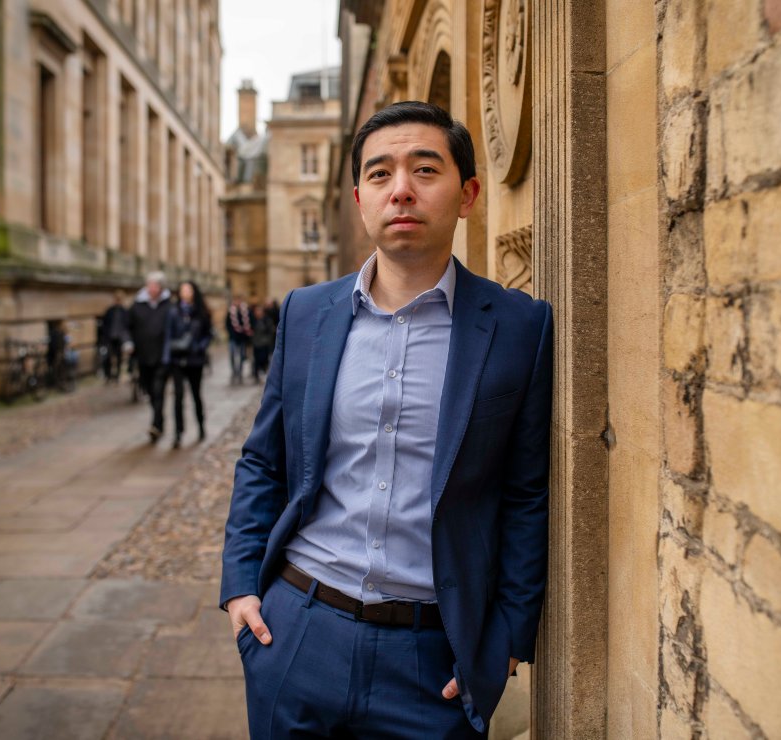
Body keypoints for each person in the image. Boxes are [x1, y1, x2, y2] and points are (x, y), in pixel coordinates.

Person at [221, 101, 553, 738]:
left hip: (432, 658)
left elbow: (524, 491)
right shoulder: (307, 313)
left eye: (425, 169)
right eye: (380, 174)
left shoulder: (518, 327)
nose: (400, 189)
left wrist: (507, 636)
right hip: (296, 633)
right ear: (359, 199)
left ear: (468, 194)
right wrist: (242, 587)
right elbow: (264, 459)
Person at [163, 280, 213, 448]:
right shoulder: (174, 312)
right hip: (178, 359)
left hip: (194, 360)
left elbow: (208, 334)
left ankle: (201, 426)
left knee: (196, 395)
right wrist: (166, 358)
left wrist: (200, 347)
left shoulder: (201, 312)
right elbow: (168, 335)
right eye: (182, 289)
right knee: (177, 397)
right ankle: (178, 432)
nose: (184, 292)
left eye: (188, 289)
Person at [128, 271, 172, 443]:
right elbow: (128, 327)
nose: (152, 288)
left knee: (159, 390)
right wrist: (128, 342)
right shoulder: (137, 306)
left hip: (163, 357)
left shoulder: (168, 306)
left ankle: (156, 423)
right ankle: (159, 418)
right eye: (149, 285)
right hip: (143, 356)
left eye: (155, 285)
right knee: (149, 390)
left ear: (161, 288)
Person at [100, 290, 129, 383]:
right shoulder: (110, 311)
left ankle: (117, 376)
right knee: (107, 357)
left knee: (119, 357)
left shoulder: (125, 311)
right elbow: (104, 325)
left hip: (120, 338)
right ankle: (108, 375)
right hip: (109, 337)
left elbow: (127, 326)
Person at [225, 297, 252, 385]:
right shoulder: (231, 312)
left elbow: (248, 324)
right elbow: (227, 324)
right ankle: (234, 371)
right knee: (232, 355)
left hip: (242, 338)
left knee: (241, 356)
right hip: (233, 338)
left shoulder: (245, 312)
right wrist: (231, 333)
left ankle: (240, 372)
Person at [249, 302, 275, 383]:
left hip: (264, 343)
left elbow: (271, 331)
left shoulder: (267, 320)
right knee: (256, 360)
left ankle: (263, 372)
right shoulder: (252, 320)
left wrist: (268, 340)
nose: (258, 312)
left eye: (259, 310)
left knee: (264, 359)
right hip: (256, 343)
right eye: (257, 311)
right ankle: (256, 375)